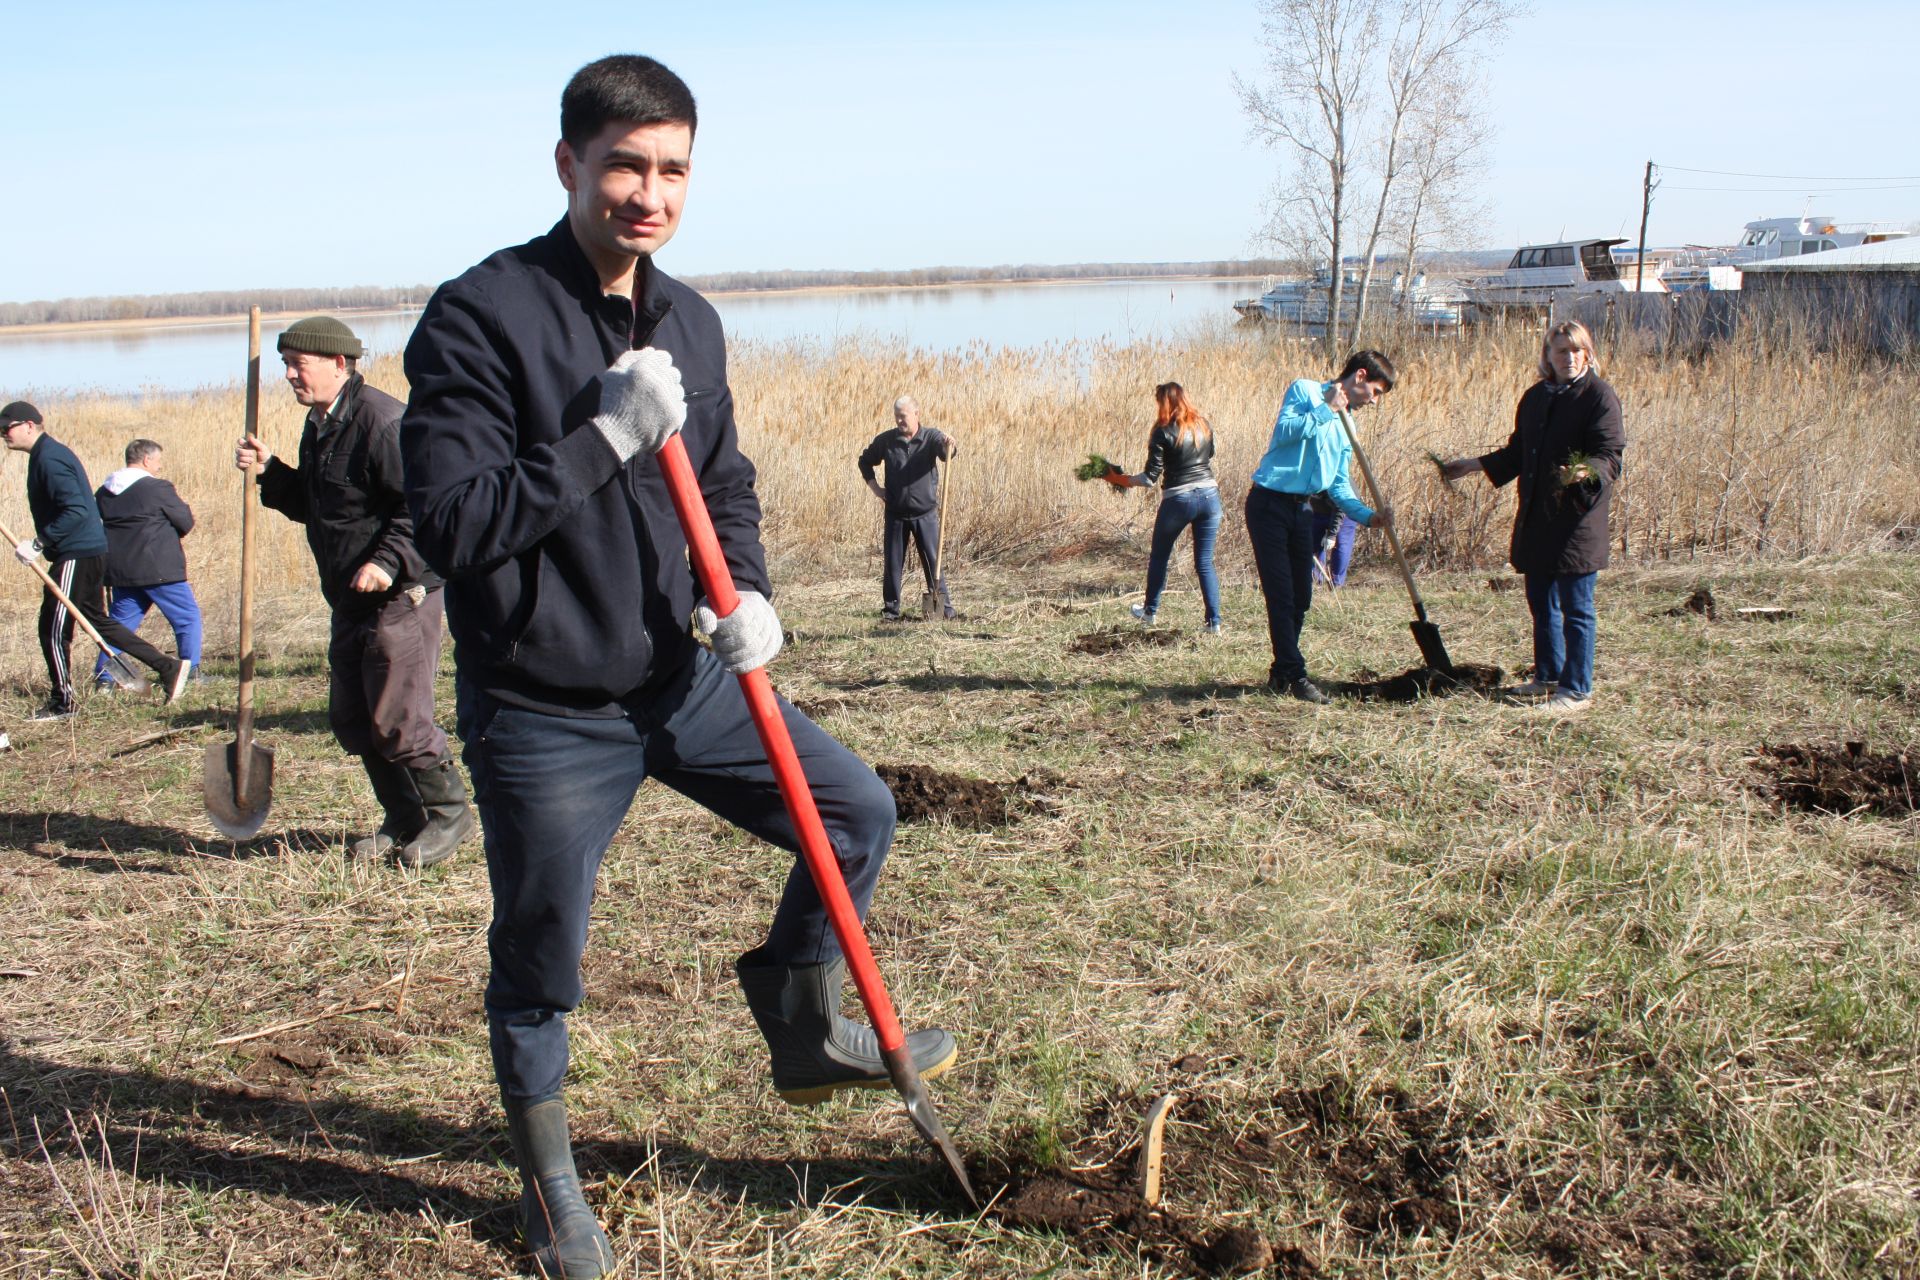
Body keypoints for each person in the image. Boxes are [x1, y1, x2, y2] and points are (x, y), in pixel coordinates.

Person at [400, 55, 956, 1279]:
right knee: (542, 952)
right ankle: (550, 1182)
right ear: (569, 166)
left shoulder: (691, 320)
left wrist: (748, 590)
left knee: (855, 813)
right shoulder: (479, 316)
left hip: (690, 681)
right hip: (546, 704)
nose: (648, 193)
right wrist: (603, 436)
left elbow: (727, 479)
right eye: (625, 166)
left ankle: (802, 1015)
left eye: (672, 170)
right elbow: (451, 524)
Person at [233, 317, 474, 868]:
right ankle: (404, 818)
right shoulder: (321, 423)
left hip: (401, 596)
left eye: (300, 365)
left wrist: (387, 562)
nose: (290, 376)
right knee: (355, 717)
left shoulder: (383, 422)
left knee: (399, 718)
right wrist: (271, 471)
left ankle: (447, 816)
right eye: (285, 365)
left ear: (339, 364)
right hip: (349, 597)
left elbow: (424, 506)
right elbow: (322, 508)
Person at [1440, 321, 1624, 714]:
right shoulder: (1536, 397)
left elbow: (1609, 454)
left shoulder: (1599, 397)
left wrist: (1587, 471)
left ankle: (1576, 690)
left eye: (1577, 350)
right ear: (1548, 357)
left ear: (1588, 353)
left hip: (1577, 522)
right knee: (1541, 603)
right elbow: (1518, 452)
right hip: (1538, 520)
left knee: (1577, 609)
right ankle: (1548, 677)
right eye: (1562, 351)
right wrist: (1471, 465)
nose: (1570, 357)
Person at [3, 401, 189, 719]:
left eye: (7, 428)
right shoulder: (44, 456)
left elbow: (76, 509)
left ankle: (63, 702)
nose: (3, 434)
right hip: (82, 551)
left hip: (77, 552)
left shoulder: (50, 458)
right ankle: (168, 666)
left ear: (30, 426)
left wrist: (38, 542)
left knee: (53, 628)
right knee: (97, 622)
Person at [1245, 352, 1396, 703]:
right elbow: (1284, 434)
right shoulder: (1305, 391)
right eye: (1375, 391)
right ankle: (1296, 675)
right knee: (1281, 594)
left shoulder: (1349, 426)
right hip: (1268, 504)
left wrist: (1369, 516)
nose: (1374, 401)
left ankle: (1282, 671)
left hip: (1304, 510)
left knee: (1301, 596)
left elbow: (1339, 485)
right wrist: (1325, 410)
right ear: (1359, 376)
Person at [1106, 381, 1222, 633]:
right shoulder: (1204, 425)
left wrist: (1120, 479)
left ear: (1163, 402)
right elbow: (1209, 455)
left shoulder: (1163, 431)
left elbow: (1150, 478)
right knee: (1204, 561)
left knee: (1160, 556)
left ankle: (1150, 611)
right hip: (1210, 496)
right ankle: (1214, 623)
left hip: (1179, 499)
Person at [93, 439, 203, 689]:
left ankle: (105, 679)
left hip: (121, 570)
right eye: (157, 460)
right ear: (146, 460)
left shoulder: (104, 492)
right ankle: (190, 671)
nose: (160, 466)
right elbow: (185, 521)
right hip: (159, 568)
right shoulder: (157, 488)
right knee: (187, 618)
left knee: (119, 626)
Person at [857, 395, 957, 620]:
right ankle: (891, 612)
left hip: (925, 515)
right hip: (896, 514)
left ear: (916, 414)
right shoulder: (887, 441)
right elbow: (864, 461)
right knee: (893, 565)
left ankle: (943, 610)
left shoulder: (931, 437)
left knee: (934, 561)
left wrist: (949, 445)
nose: (899, 422)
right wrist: (877, 490)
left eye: (903, 417)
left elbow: (946, 453)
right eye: (897, 417)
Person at [1310, 498, 1357, 587]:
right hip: (1317, 510)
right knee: (1312, 544)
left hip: (1345, 512)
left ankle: (1336, 583)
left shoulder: (1339, 488)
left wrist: (1332, 535)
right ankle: (1316, 581)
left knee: (1342, 545)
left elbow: (1341, 507)